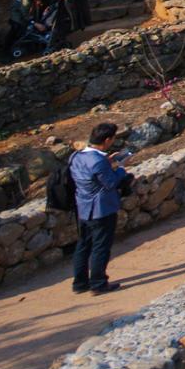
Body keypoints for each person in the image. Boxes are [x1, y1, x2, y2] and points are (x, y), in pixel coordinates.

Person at [70, 122, 132, 294]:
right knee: (101, 247)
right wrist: (120, 168)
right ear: (107, 140)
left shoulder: (76, 156)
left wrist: (108, 163)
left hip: (83, 207)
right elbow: (110, 183)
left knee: (83, 246)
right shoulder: (98, 161)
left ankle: (80, 283)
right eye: (112, 139)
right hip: (101, 209)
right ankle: (98, 283)